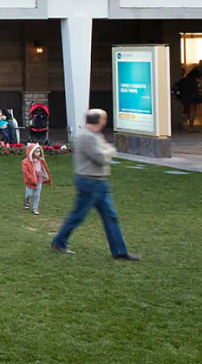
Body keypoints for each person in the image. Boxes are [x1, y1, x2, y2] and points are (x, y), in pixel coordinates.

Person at [51, 110, 140, 261]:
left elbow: (103, 153)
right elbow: (100, 158)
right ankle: (59, 242)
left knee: (110, 216)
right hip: (89, 182)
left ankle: (119, 252)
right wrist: (110, 150)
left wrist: (106, 150)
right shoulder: (86, 136)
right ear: (98, 120)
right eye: (104, 118)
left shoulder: (96, 135)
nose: (105, 120)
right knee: (78, 215)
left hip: (99, 182)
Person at [22, 143, 52, 215]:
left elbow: (43, 169)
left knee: (37, 194)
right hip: (30, 182)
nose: (39, 153)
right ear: (31, 152)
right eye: (36, 151)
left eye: (39, 151)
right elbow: (25, 172)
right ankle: (27, 202)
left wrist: (45, 177)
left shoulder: (40, 160)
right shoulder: (25, 162)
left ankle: (35, 208)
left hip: (39, 181)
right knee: (28, 194)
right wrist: (31, 179)